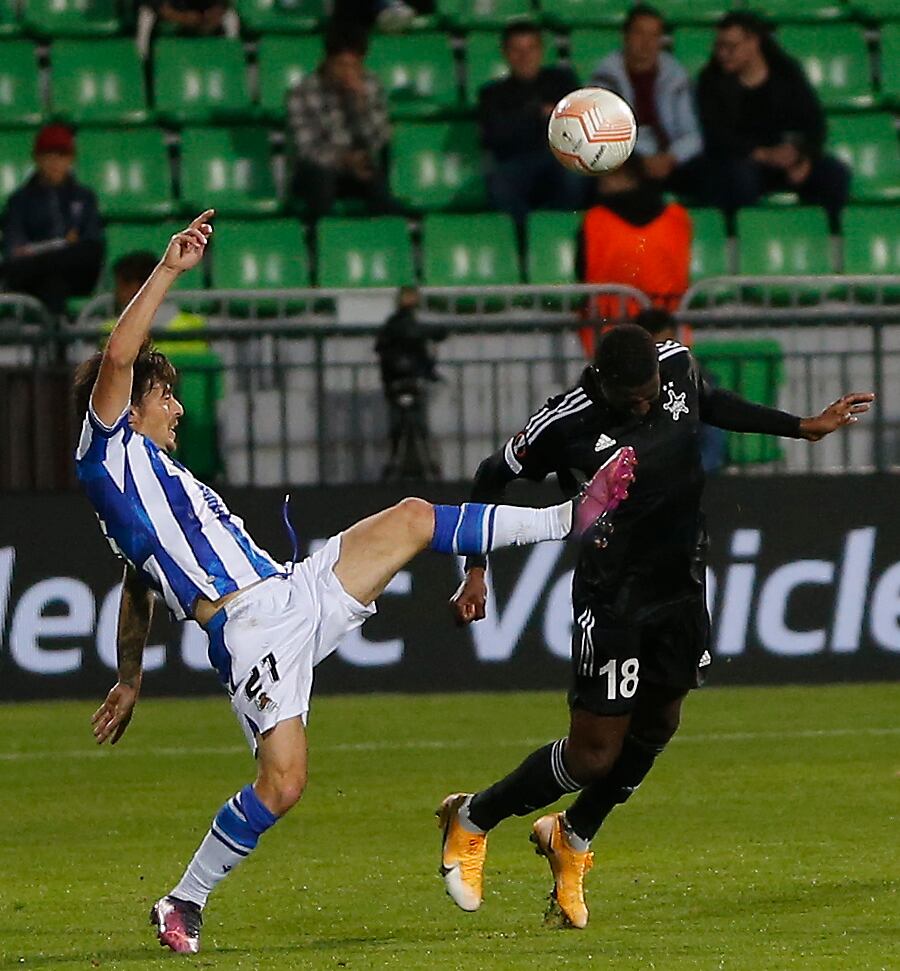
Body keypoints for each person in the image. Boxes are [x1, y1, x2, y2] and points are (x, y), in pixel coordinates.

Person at [75, 210, 637, 955]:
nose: (176, 407)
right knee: (283, 784)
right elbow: (118, 358)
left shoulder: (145, 485)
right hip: (250, 628)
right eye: (166, 396)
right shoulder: (104, 449)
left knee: (409, 516)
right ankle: (184, 899)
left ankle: (566, 517)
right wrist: (171, 270)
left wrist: (129, 675)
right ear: (131, 402)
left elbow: (137, 584)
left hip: (293, 590)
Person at [438, 323, 873, 929]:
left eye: (652, 394)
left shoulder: (675, 364)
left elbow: (711, 402)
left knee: (663, 719)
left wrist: (802, 425)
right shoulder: (564, 422)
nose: (648, 403)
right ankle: (472, 818)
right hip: (613, 598)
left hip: (681, 584)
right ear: (605, 383)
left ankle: (573, 835)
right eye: (634, 398)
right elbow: (490, 478)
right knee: (593, 755)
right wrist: (476, 568)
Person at [697, 11, 850, 229]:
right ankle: (748, 239)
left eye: (731, 47)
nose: (723, 54)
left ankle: (819, 239)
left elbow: (814, 122)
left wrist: (802, 156)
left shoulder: (786, 73)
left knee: (834, 175)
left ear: (753, 42)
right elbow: (716, 135)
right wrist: (761, 154)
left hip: (786, 160)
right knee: (735, 180)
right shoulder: (710, 81)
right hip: (744, 160)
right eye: (719, 46)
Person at [103, 251, 223, 480]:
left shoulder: (113, 336)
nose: (116, 294)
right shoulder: (195, 325)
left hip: (187, 436)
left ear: (135, 286)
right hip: (155, 440)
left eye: (119, 286)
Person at [576, 156, 692, 357]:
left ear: (630, 177)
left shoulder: (595, 220)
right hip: (670, 331)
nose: (600, 186)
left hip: (608, 333)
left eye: (608, 178)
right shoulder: (677, 217)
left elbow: (582, 270)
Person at [590, 4, 706, 199]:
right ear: (625, 36)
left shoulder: (676, 76)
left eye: (654, 35)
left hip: (670, 160)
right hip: (630, 159)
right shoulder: (605, 78)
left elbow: (692, 132)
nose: (647, 43)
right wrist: (644, 159)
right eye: (640, 34)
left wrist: (671, 157)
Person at [479, 21, 586, 231]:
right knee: (498, 181)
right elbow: (494, 138)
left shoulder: (563, 81)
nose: (525, 57)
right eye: (517, 50)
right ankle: (525, 239)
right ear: (505, 53)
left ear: (541, 51)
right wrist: (538, 116)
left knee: (575, 171)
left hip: (559, 161)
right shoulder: (492, 94)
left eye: (531, 49)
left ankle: (561, 232)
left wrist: (520, 121)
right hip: (517, 166)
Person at [287, 22, 398, 220]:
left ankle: (384, 241)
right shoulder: (302, 92)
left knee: (380, 183)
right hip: (319, 170)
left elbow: (380, 138)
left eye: (354, 66)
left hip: (359, 166)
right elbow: (306, 149)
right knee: (322, 180)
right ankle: (317, 241)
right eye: (341, 65)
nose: (347, 73)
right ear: (328, 61)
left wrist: (360, 105)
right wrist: (344, 161)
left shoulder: (370, 85)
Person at [2, 125, 104, 315]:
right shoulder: (19, 201)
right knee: (51, 283)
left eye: (62, 156)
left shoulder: (85, 197)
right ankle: (59, 342)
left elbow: (91, 246)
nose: (55, 163)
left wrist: (42, 253)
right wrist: (66, 246)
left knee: (88, 252)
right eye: (49, 156)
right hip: (33, 279)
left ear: (71, 159)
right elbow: (15, 252)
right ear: (37, 158)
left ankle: (53, 342)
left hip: (75, 274)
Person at [633, 307, 726, 473]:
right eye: (659, 346)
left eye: (671, 343)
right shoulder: (620, 386)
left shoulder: (696, 378)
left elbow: (711, 440)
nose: (667, 351)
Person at [375, 286, 445, 480]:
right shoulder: (394, 327)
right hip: (398, 384)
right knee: (399, 428)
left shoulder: (411, 327)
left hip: (412, 383)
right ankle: (395, 465)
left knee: (418, 428)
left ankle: (420, 467)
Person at [136, 0, 240, 59]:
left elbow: (220, 6)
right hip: (170, 15)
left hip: (199, 16)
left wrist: (209, 19)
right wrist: (181, 17)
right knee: (146, 13)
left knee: (230, 16)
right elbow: (152, 4)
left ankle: (231, 56)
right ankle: (142, 58)